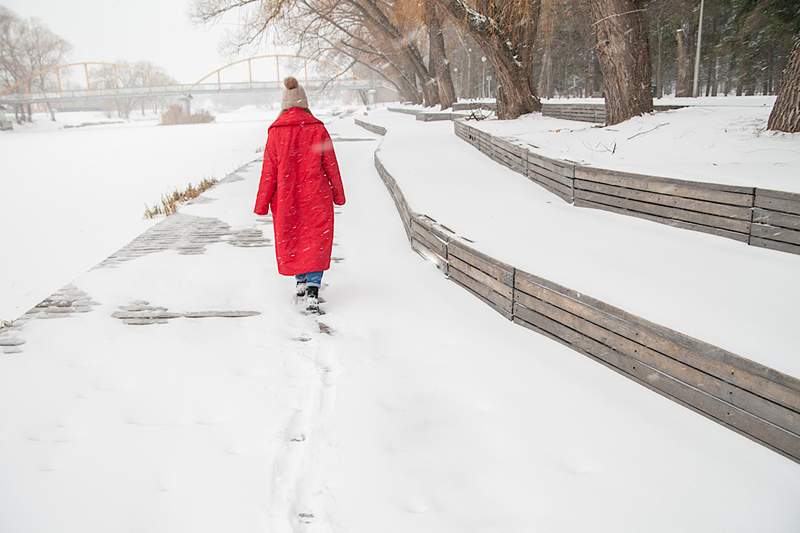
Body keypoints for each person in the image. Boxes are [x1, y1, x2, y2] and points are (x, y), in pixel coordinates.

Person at [254, 77, 346, 313]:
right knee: (316, 238)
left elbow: (269, 171)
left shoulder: (275, 133)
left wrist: (262, 203)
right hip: (316, 195)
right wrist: (338, 194)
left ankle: (301, 281)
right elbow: (331, 165)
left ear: (284, 105)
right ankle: (313, 285)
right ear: (304, 103)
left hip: (287, 197)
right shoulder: (317, 129)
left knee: (293, 236)